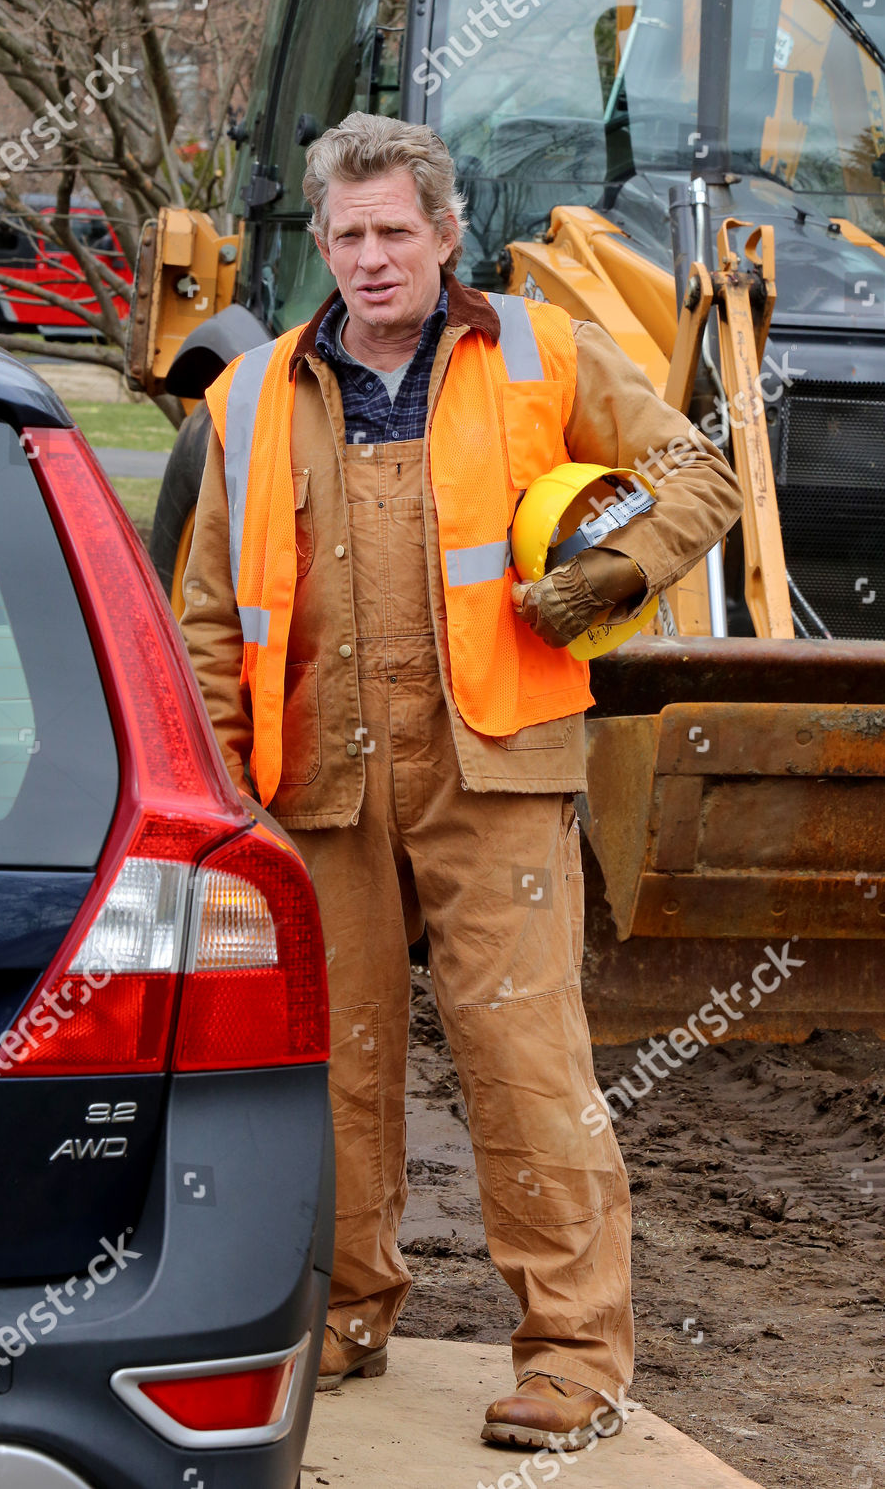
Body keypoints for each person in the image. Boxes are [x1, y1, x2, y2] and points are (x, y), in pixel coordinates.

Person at [181, 111, 742, 1450]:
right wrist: (213, 788)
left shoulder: (543, 353)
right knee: (328, 1066)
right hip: (311, 781)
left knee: (522, 1062)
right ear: (320, 243)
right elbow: (210, 611)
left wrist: (605, 576)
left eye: (395, 232)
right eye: (348, 235)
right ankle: (344, 1309)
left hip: (492, 768)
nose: (371, 259)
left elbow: (697, 471)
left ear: (444, 234)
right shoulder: (252, 394)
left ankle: (570, 1354)